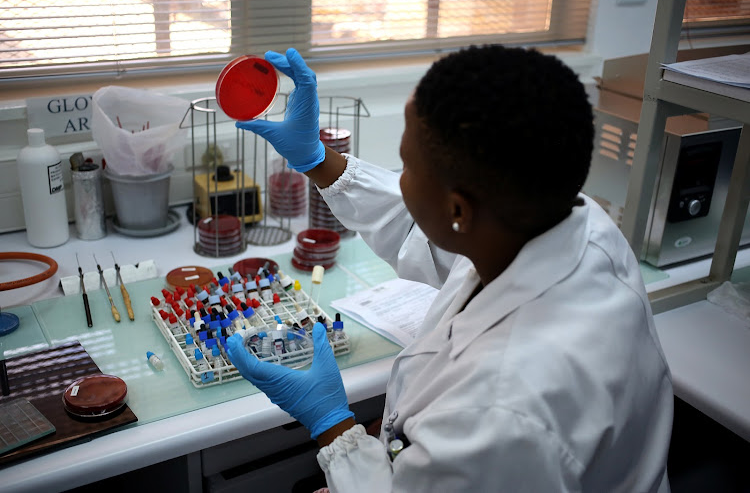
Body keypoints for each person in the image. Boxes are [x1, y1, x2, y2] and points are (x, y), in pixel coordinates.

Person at [226, 45, 674, 492]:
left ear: (459, 208)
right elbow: (420, 228)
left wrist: (333, 428)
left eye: (405, 165)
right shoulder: (577, 224)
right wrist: (318, 159)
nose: (400, 177)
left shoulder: (495, 415)